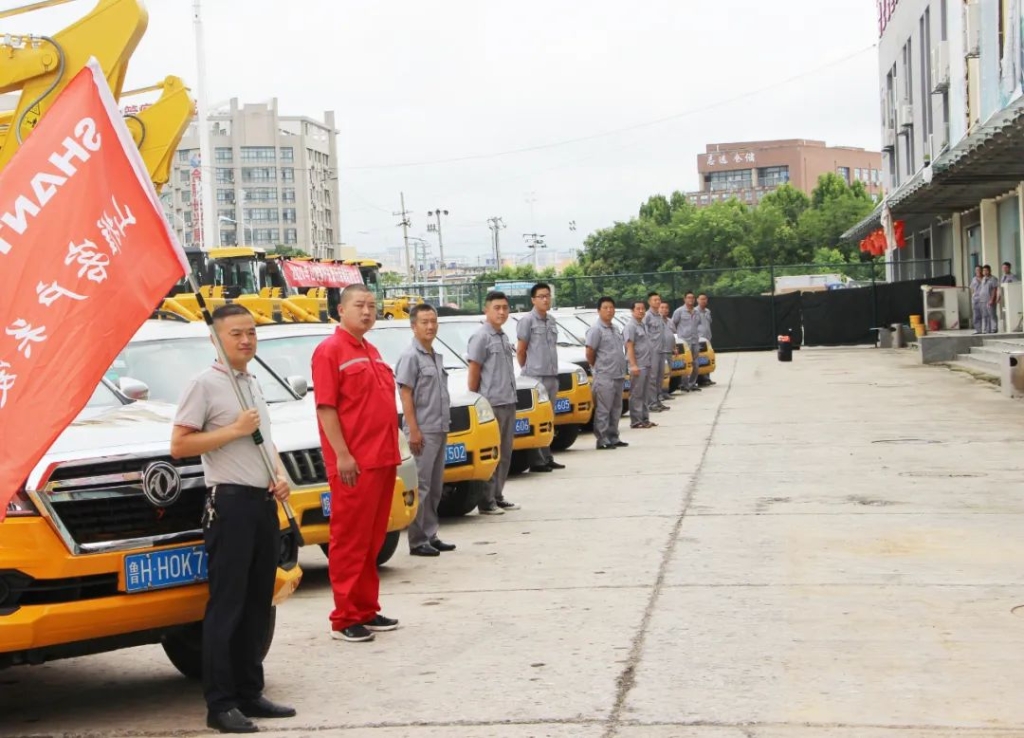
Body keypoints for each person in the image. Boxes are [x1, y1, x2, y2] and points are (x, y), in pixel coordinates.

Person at [170, 304, 296, 735]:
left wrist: (280, 475)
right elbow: (180, 445)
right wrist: (234, 430)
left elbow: (265, 441)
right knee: (228, 606)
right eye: (236, 334)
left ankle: (249, 690)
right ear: (215, 339)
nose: (245, 340)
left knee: (258, 604)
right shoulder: (203, 384)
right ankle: (220, 703)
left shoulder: (251, 382)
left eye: (251, 333)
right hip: (230, 505)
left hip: (262, 503)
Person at [313, 283, 401, 644]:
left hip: (383, 459)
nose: (367, 312)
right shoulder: (330, 351)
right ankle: (345, 617)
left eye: (372, 306)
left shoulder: (371, 350)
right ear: (341, 310)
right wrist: (342, 454)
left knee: (372, 539)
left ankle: (366, 608)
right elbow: (326, 407)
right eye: (359, 305)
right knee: (350, 540)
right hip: (355, 464)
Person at [394, 303, 456, 557]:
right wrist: (414, 430)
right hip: (422, 431)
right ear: (413, 326)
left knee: (435, 486)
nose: (430, 326)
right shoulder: (411, 357)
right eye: (424, 322)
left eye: (433, 321)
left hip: (439, 428)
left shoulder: (434, 355)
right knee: (421, 486)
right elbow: (405, 395)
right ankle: (418, 540)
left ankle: (430, 534)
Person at [468, 291, 519, 513]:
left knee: (505, 453)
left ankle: (498, 495)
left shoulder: (503, 336)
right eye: (497, 308)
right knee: (491, 454)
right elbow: (474, 370)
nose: (501, 312)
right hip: (491, 404)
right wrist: (475, 400)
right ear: (486, 310)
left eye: (505, 308)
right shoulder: (481, 337)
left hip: (508, 401)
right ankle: (486, 501)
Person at [516, 282, 564, 473]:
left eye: (548, 296)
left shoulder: (551, 320)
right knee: (537, 419)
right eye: (541, 296)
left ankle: (547, 456)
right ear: (533, 300)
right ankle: (537, 461)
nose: (545, 299)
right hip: (535, 377)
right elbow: (521, 350)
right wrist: (528, 371)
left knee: (549, 419)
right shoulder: (527, 321)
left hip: (551, 375)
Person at [585, 296, 629, 449]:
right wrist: (597, 367)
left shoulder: (615, 328)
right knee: (604, 409)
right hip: (604, 375)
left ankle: (613, 437)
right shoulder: (596, 330)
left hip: (618, 374)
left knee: (617, 408)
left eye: (611, 307)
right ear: (598, 310)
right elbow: (590, 352)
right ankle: (602, 439)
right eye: (605, 308)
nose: (609, 310)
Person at [623, 300, 655, 429]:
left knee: (645, 394)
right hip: (638, 365)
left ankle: (645, 419)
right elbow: (629, 346)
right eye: (638, 309)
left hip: (646, 364)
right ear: (632, 311)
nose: (641, 311)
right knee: (636, 394)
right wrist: (633, 365)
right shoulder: (630, 326)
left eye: (643, 308)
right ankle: (636, 421)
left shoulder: (643, 325)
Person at [642, 291, 669, 412]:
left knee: (660, 376)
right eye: (655, 300)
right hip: (652, 351)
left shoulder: (659, 316)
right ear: (649, 302)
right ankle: (651, 403)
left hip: (662, 350)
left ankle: (658, 400)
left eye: (659, 300)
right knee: (652, 377)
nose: (658, 302)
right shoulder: (647, 316)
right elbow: (644, 334)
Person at [671, 292, 702, 393]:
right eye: (688, 297)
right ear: (684, 299)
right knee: (686, 363)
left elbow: (698, 324)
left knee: (695, 363)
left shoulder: (697, 312)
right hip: (684, 342)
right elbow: (673, 324)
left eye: (692, 298)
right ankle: (684, 384)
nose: (691, 299)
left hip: (695, 341)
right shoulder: (679, 311)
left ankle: (692, 383)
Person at [657, 302, 676, 402]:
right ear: (658, 309)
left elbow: (673, 335)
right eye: (662, 307)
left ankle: (665, 392)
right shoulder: (656, 321)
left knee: (668, 373)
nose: (664, 309)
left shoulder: (670, 321)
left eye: (666, 307)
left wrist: (674, 347)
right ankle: (658, 394)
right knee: (661, 374)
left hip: (669, 351)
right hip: (661, 351)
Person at [696, 294, 715, 387]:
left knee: (708, 358)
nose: (703, 301)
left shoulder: (708, 311)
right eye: (701, 299)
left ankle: (707, 378)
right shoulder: (694, 312)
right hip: (699, 340)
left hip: (708, 339)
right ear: (697, 300)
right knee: (700, 359)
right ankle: (701, 380)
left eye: (705, 299)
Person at [981, 264, 1000, 334]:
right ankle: (986, 329)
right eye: (984, 270)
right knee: (985, 315)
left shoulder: (993, 279)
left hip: (990, 300)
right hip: (983, 300)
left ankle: (994, 328)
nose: (985, 272)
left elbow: (994, 290)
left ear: (990, 271)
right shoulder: (983, 279)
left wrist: (992, 299)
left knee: (992, 314)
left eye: (986, 270)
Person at [970, 265, 985, 334]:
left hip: (984, 299)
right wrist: (973, 297)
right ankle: (978, 330)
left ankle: (985, 329)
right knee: (976, 315)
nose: (978, 271)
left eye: (979, 270)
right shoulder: (974, 279)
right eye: (976, 270)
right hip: (976, 300)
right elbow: (972, 289)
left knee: (985, 315)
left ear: (982, 270)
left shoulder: (985, 279)